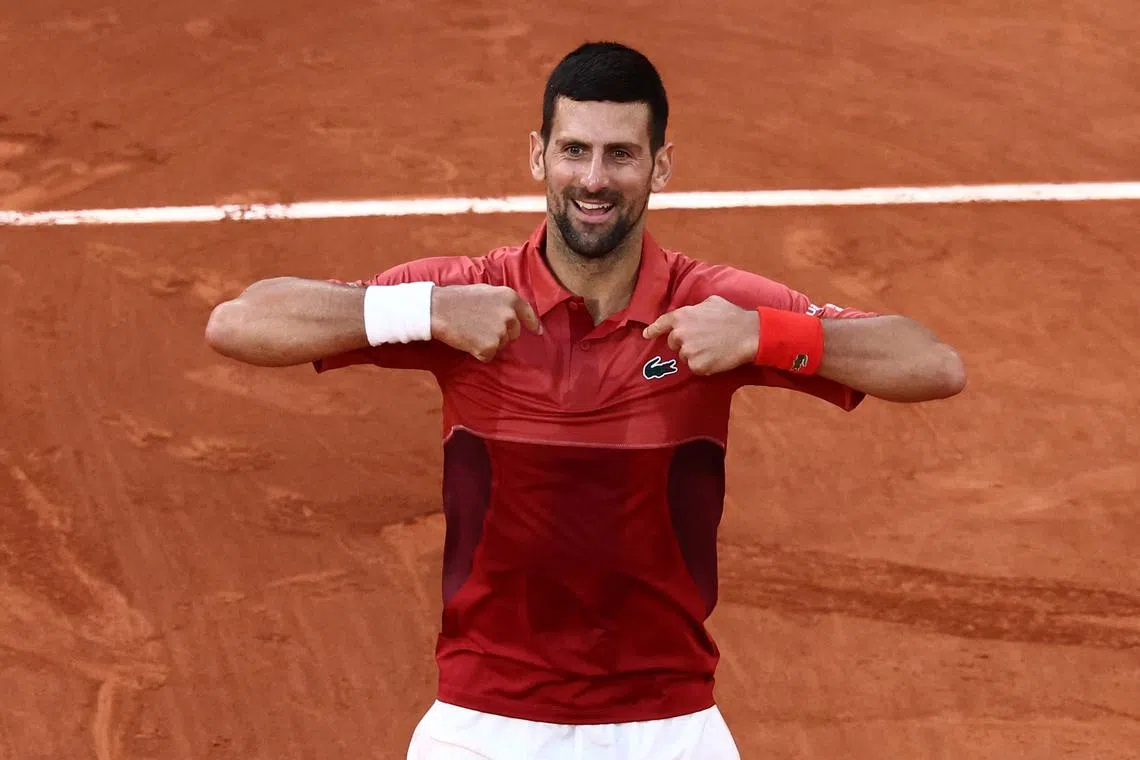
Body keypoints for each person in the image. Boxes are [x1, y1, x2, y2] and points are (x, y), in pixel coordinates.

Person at [205, 41, 966, 760]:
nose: (594, 179)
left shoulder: (713, 306)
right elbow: (241, 322)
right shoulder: (467, 296)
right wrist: (426, 311)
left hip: (670, 725)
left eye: (621, 154)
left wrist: (763, 334)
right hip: (482, 725)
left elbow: (931, 362)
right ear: (539, 154)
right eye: (574, 150)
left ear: (660, 167)